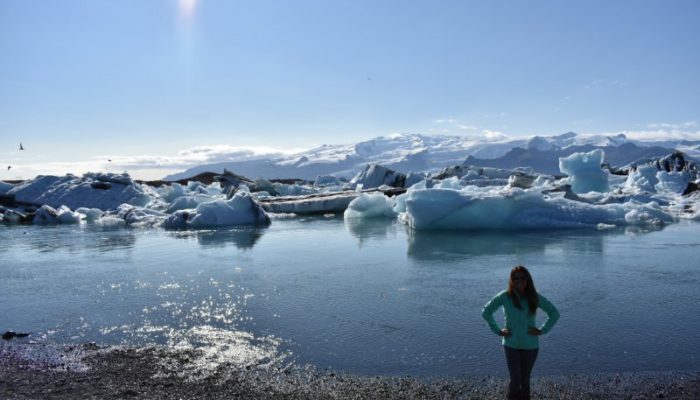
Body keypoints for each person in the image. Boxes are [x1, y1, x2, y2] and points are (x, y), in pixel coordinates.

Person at [481, 265, 560, 400]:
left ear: (527, 279)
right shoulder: (505, 296)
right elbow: (486, 311)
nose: (519, 280)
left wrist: (542, 330)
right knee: (515, 379)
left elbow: (554, 313)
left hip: (530, 345)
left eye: (522, 277)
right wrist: (497, 330)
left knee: (525, 380)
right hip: (510, 344)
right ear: (511, 280)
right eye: (515, 278)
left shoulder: (534, 297)